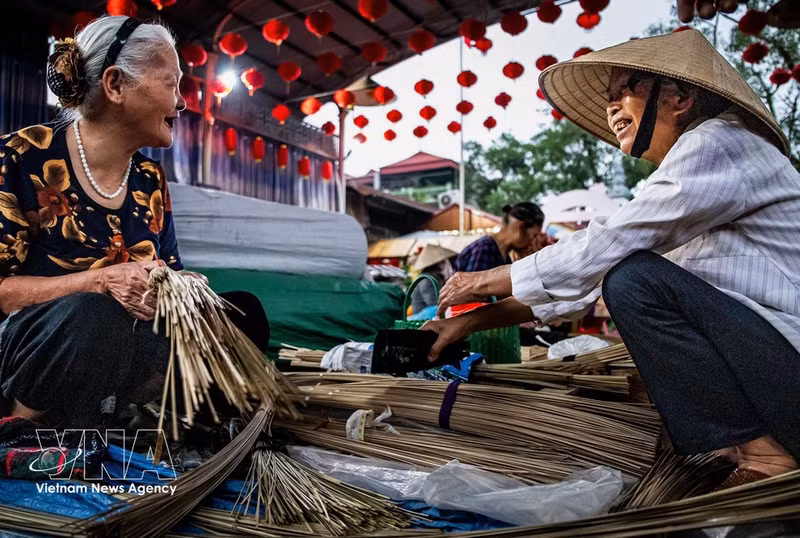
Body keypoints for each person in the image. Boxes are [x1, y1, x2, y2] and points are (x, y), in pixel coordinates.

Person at [424, 29, 800, 486]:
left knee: (633, 280)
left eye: (626, 91)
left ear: (679, 97)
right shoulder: (691, 178)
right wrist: (466, 322)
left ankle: (766, 458)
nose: (612, 106)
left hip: (787, 368)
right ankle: (743, 442)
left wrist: (485, 280)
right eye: (609, 97)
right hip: (774, 370)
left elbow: (608, 247)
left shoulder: (720, 141)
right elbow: (585, 277)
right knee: (626, 274)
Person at [0, 16, 269, 428]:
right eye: (171, 84)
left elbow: (167, 274)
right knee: (92, 314)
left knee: (241, 311)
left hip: (124, 346)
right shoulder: (21, 157)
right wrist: (99, 281)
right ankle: (22, 426)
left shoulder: (150, 180)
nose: (181, 103)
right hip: (43, 348)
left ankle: (135, 411)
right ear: (116, 85)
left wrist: (183, 288)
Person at [454, 202, 546, 273]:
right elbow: (475, 295)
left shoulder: (504, 257)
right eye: (534, 236)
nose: (533, 242)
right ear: (521, 227)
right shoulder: (485, 248)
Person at [409, 244, 456, 316]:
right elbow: (433, 303)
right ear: (437, 264)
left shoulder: (436, 277)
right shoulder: (426, 279)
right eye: (442, 262)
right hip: (423, 318)